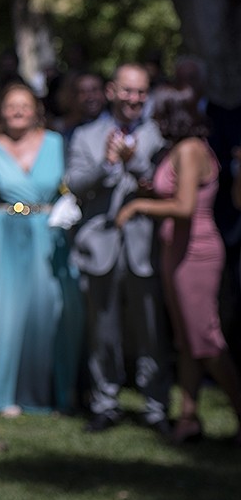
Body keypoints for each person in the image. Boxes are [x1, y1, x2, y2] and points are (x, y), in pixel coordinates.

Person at [116, 87, 241, 444]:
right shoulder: (177, 150)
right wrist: (147, 191)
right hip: (175, 250)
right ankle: (189, 418)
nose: (154, 124)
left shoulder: (189, 150)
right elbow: (172, 195)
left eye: (158, 118)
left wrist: (137, 207)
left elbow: (185, 207)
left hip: (196, 252)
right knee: (187, 341)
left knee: (206, 340)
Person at [0, 82, 83, 415]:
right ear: (0, 110)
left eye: (25, 105)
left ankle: (56, 392)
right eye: (11, 105)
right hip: (1, 238)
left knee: (52, 311)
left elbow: (75, 186)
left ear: (37, 110)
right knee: (7, 315)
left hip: (49, 236)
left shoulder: (58, 144)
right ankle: (3, 394)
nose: (18, 111)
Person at [66, 64, 171, 434]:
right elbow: (75, 184)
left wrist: (134, 161)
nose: (134, 99)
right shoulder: (85, 135)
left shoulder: (158, 135)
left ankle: (156, 406)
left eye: (141, 92)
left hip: (145, 247)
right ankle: (105, 401)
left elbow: (164, 186)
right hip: (101, 245)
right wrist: (107, 163)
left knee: (151, 330)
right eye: (127, 91)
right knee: (103, 331)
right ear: (112, 91)